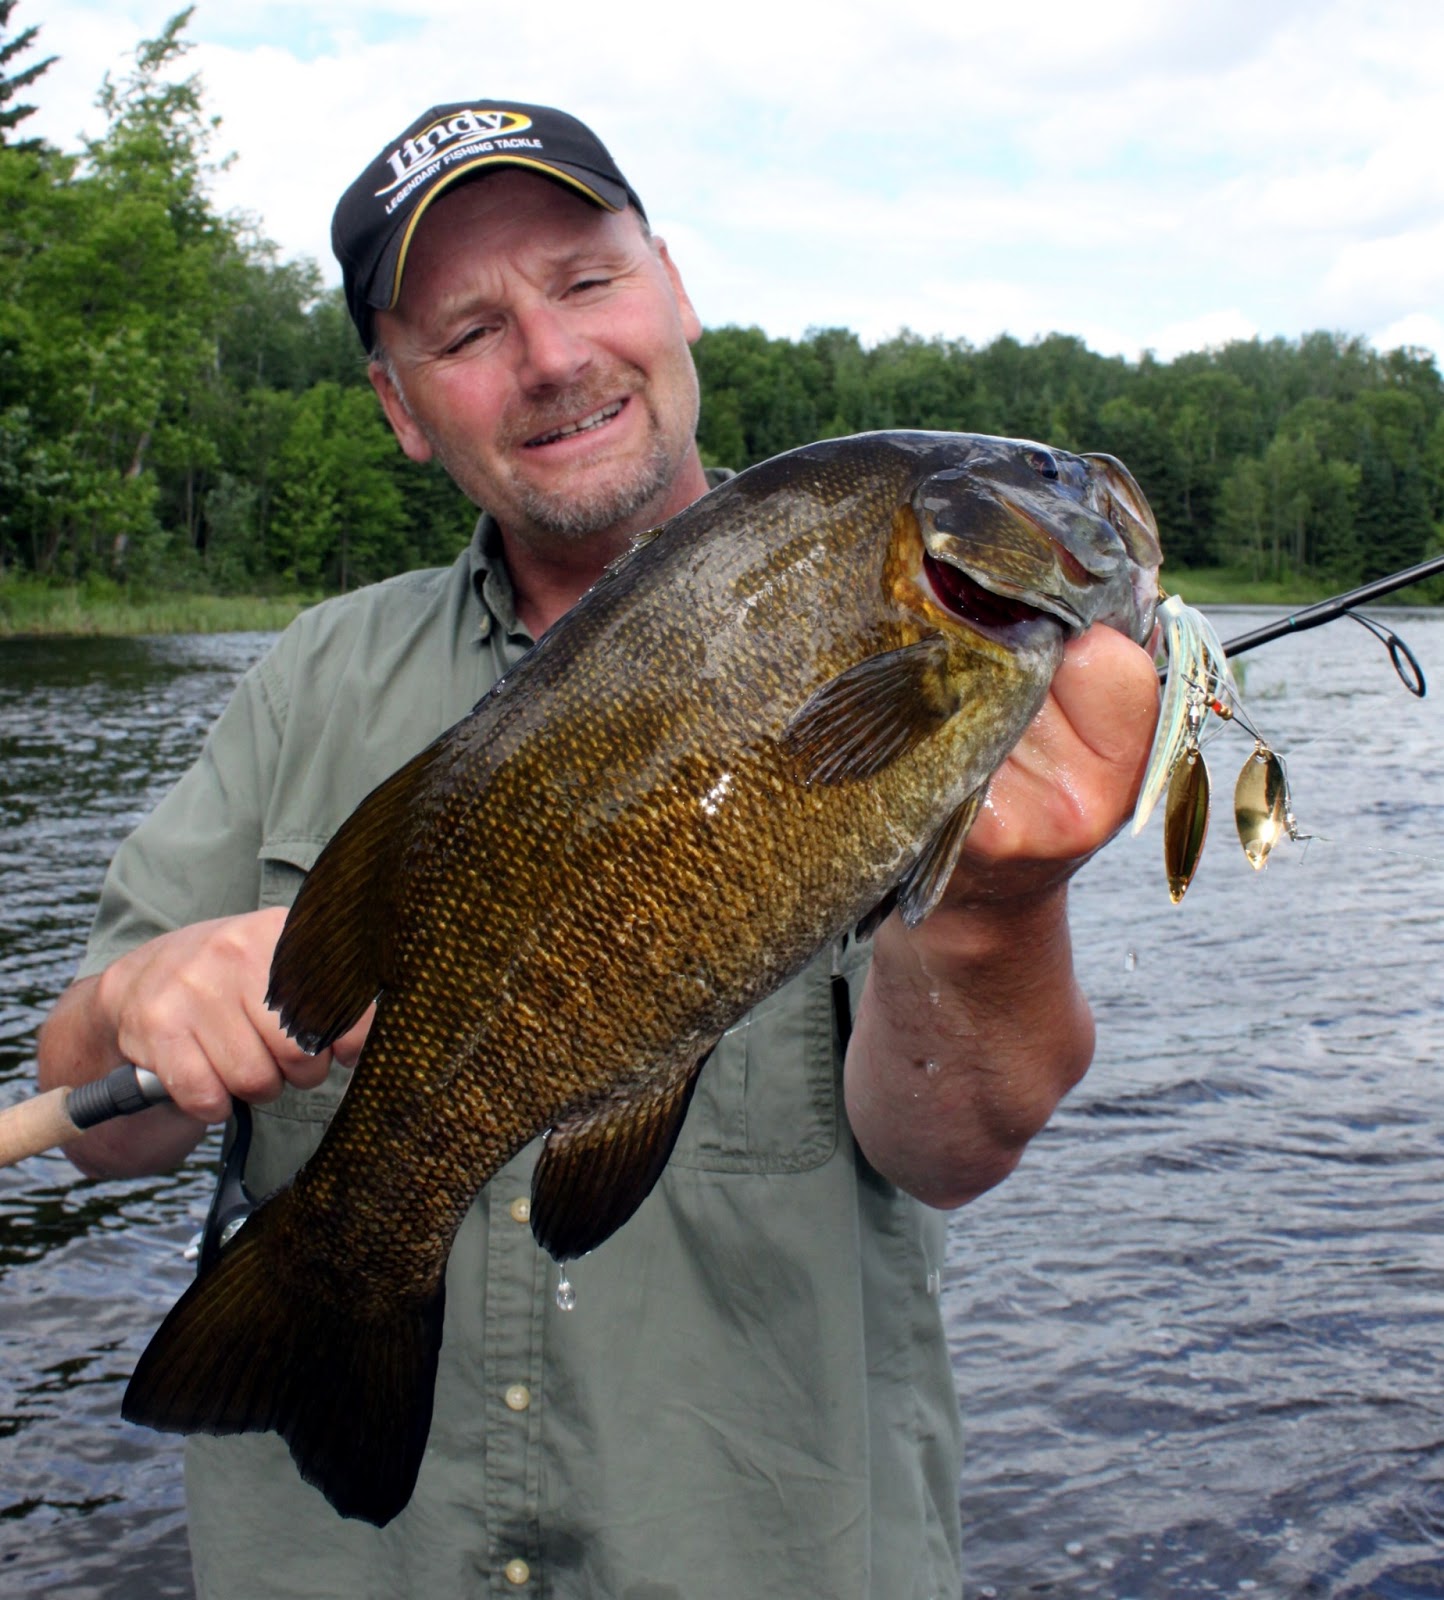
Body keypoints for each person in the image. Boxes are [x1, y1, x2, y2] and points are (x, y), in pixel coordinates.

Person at [36, 101, 1162, 1597]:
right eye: (469, 331)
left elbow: (955, 1152)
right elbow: (96, 1125)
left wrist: (999, 907)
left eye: (586, 280)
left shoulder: (910, 637)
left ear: (672, 287)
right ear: (398, 404)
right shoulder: (311, 680)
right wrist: (135, 1004)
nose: (554, 356)